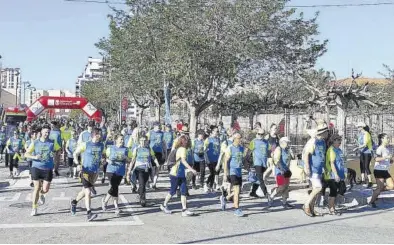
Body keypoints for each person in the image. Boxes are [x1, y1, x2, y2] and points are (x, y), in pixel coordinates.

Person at [70, 128, 105, 221]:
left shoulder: (101, 145)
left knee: (84, 192)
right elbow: (75, 153)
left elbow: (102, 155)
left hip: (95, 171)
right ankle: (89, 213)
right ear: (93, 135)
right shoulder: (85, 144)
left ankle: (74, 202)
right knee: (88, 192)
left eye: (100, 134)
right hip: (85, 171)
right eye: (98, 134)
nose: (100, 136)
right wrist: (77, 164)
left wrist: (103, 160)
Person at [160, 135, 197, 216]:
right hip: (175, 173)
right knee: (172, 191)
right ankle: (164, 205)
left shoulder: (184, 149)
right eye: (187, 140)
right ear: (184, 142)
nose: (189, 142)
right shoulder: (182, 149)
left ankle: (184, 210)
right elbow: (183, 161)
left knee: (183, 191)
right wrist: (191, 169)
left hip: (181, 173)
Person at [25, 125, 56, 216]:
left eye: (48, 132)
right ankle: (34, 208)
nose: (47, 134)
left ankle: (42, 194)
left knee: (45, 189)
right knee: (36, 187)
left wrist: (55, 154)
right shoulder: (35, 142)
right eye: (45, 132)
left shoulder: (52, 143)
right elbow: (26, 154)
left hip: (48, 168)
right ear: (41, 132)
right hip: (36, 167)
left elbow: (57, 151)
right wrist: (34, 157)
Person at [302, 122, 329, 217]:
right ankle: (306, 205)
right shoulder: (313, 141)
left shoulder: (322, 142)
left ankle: (312, 209)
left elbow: (322, 156)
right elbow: (306, 154)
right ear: (322, 132)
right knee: (318, 188)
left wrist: (325, 168)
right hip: (312, 169)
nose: (327, 133)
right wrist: (307, 167)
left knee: (315, 190)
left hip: (318, 169)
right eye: (326, 131)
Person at [102, 134, 132, 215]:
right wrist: (108, 160)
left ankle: (105, 201)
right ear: (116, 140)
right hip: (111, 170)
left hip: (120, 171)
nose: (122, 141)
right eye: (120, 139)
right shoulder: (110, 148)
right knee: (114, 187)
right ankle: (116, 207)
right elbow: (104, 157)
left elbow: (130, 160)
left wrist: (126, 158)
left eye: (123, 139)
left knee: (115, 188)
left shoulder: (126, 149)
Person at [127, 135, 159, 207]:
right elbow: (133, 160)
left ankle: (140, 192)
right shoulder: (137, 149)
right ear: (139, 141)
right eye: (141, 140)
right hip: (138, 169)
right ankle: (143, 199)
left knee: (143, 184)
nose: (143, 142)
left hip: (147, 169)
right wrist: (129, 170)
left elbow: (153, 157)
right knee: (141, 184)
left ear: (147, 141)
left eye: (144, 141)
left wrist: (157, 163)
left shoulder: (149, 149)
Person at [221, 133, 245, 217]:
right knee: (237, 190)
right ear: (234, 139)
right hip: (232, 171)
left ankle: (225, 198)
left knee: (238, 191)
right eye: (238, 138)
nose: (240, 140)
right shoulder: (230, 148)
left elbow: (242, 160)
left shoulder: (241, 148)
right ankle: (236, 209)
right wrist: (225, 174)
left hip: (239, 171)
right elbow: (225, 161)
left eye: (241, 138)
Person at [369, 133, 394, 208]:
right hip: (379, 170)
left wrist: (391, 160)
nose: (388, 139)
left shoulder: (387, 149)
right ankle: (371, 202)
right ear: (382, 139)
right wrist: (386, 157)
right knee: (379, 188)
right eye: (387, 138)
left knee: (392, 186)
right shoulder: (380, 148)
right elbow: (376, 159)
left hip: (385, 170)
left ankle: (376, 191)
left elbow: (389, 161)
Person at [247, 129, 272, 204]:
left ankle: (252, 192)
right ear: (256, 134)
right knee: (261, 179)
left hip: (264, 163)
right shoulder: (253, 141)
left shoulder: (266, 142)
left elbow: (269, 151)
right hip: (257, 163)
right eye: (259, 134)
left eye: (262, 134)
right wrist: (249, 165)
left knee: (258, 179)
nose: (260, 135)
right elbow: (248, 152)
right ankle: (267, 194)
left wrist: (270, 159)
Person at [323, 134, 346, 215]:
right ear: (333, 141)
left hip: (340, 174)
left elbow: (342, 162)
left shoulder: (339, 150)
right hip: (331, 175)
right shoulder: (331, 150)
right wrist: (336, 175)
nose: (340, 142)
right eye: (338, 140)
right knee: (333, 191)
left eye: (340, 140)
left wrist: (344, 173)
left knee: (343, 189)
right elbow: (332, 163)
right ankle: (331, 208)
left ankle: (332, 204)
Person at [147, 121, 167, 189]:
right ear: (154, 126)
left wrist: (165, 153)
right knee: (152, 168)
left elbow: (164, 144)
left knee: (157, 169)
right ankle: (151, 181)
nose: (159, 127)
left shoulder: (162, 133)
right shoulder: (150, 133)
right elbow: (147, 142)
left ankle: (154, 184)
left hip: (159, 152)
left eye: (159, 126)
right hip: (152, 152)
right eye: (158, 126)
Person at [353, 122, 373, 187]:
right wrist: (357, 148)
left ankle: (370, 181)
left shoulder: (366, 134)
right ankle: (363, 180)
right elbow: (360, 143)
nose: (358, 128)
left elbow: (365, 144)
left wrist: (357, 148)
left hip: (367, 152)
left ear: (362, 127)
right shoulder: (360, 134)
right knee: (361, 166)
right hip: (362, 152)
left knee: (366, 166)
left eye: (359, 127)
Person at [204, 127, 221, 192]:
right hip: (210, 159)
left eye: (218, 131)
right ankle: (206, 184)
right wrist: (206, 159)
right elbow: (204, 150)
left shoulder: (218, 139)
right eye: (216, 131)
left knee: (215, 173)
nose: (217, 132)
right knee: (212, 173)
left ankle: (211, 187)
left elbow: (219, 149)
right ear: (212, 132)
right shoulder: (208, 139)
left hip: (216, 159)